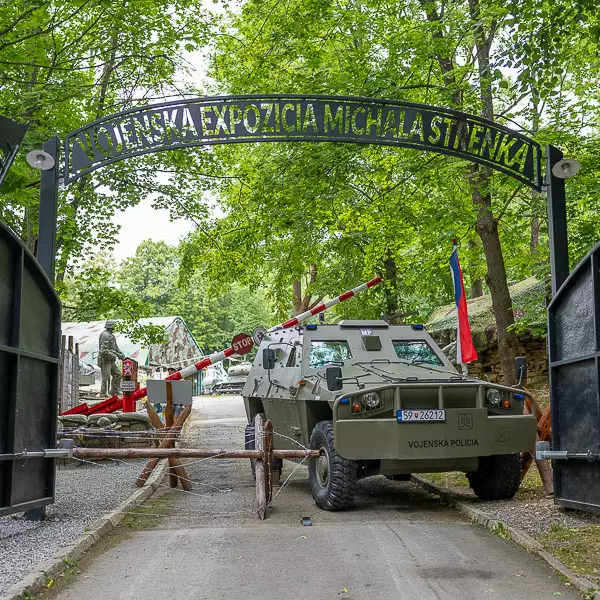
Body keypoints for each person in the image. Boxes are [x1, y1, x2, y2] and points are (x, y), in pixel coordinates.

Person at [98, 319, 125, 397]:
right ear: (111, 326)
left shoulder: (111, 335)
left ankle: (114, 391)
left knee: (118, 374)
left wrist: (121, 354)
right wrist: (114, 355)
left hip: (111, 360)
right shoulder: (105, 335)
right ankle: (103, 393)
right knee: (106, 377)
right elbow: (103, 350)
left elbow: (115, 347)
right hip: (105, 360)